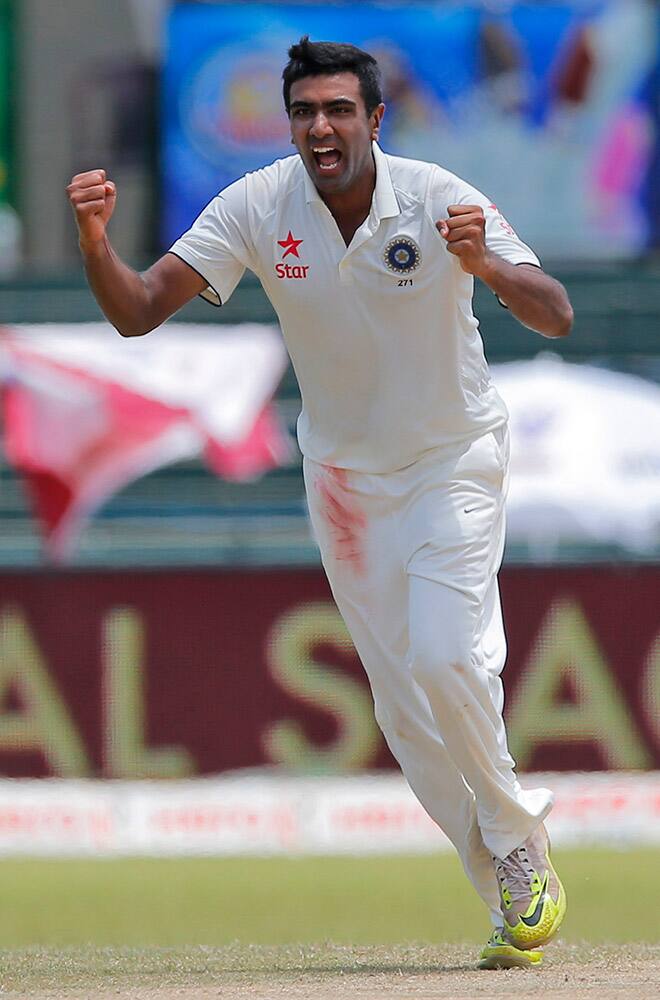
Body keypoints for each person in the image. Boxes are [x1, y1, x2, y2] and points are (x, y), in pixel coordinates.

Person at [68, 37, 572, 970]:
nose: (320, 127)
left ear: (375, 120)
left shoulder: (436, 195)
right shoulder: (260, 204)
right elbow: (139, 309)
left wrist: (494, 271)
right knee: (402, 711)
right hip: (345, 479)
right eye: (304, 112)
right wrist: (98, 245)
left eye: (339, 110)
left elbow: (556, 309)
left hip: (451, 457)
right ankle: (504, 884)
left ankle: (518, 843)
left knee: (447, 653)